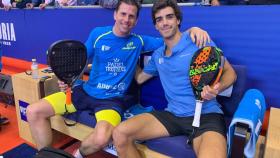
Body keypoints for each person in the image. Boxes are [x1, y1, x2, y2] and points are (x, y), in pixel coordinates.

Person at [26, 0, 210, 157]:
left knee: (101, 138)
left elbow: (170, 36)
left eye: (131, 16)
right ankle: (47, 155)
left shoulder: (139, 41)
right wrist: (69, 79)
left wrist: (193, 29)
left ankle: (78, 155)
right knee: (34, 111)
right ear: (115, 14)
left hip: (111, 101)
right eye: (123, 14)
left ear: (136, 20)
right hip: (84, 92)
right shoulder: (98, 34)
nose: (126, 20)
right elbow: (78, 60)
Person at [112, 0, 237, 158]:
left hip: (207, 116)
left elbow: (231, 73)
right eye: (159, 19)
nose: (164, 23)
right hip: (173, 116)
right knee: (120, 133)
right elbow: (141, 78)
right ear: (156, 26)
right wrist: (128, 56)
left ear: (178, 20)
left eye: (169, 17)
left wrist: (216, 89)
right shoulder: (158, 55)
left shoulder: (199, 41)